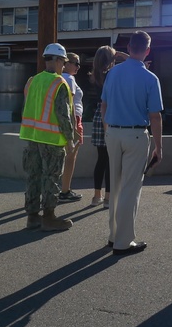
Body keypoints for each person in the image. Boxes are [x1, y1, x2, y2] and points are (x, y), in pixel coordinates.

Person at [101, 31, 163, 255]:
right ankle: (123, 241)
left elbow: (103, 105)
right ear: (147, 50)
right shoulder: (150, 78)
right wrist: (159, 146)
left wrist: (109, 131)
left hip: (113, 132)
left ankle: (112, 235)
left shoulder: (113, 73)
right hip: (136, 135)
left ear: (128, 46)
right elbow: (155, 116)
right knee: (130, 188)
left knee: (115, 186)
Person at [21, 43, 80, 232]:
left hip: (32, 136)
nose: (64, 65)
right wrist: (70, 139)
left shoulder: (33, 80)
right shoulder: (58, 83)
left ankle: (32, 217)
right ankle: (49, 217)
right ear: (56, 60)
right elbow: (63, 113)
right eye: (63, 61)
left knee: (33, 176)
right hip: (52, 139)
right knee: (51, 177)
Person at [89, 46, 116, 207]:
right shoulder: (112, 75)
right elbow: (133, 61)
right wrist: (120, 55)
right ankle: (108, 197)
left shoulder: (94, 76)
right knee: (111, 160)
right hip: (111, 114)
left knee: (101, 159)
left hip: (98, 116)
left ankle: (96, 196)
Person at [58, 52, 85, 203]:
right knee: (71, 156)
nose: (78, 67)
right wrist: (75, 126)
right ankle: (65, 190)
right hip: (74, 119)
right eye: (75, 63)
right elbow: (70, 102)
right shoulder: (70, 79)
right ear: (66, 63)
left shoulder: (60, 78)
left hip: (65, 119)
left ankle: (61, 189)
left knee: (65, 155)